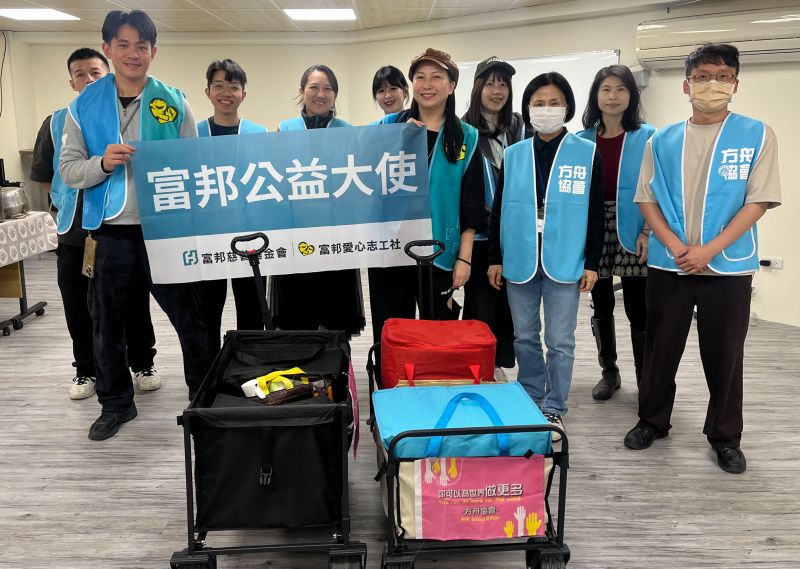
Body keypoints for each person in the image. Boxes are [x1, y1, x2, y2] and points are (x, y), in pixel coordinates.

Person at [623, 43, 781, 474]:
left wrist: (709, 250)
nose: (713, 84)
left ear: (736, 84)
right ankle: (652, 421)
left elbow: (758, 201)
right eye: (704, 76)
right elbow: (647, 198)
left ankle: (725, 437)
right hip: (669, 263)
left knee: (725, 355)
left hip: (728, 266)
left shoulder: (756, 135)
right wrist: (675, 246)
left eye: (723, 76)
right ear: (687, 84)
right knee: (660, 348)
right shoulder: (662, 139)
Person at [59, 10, 212, 441]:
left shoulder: (174, 101)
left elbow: (195, 165)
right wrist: (102, 163)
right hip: (109, 232)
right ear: (107, 49)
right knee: (105, 323)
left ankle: (202, 400)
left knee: (190, 320)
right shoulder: (82, 106)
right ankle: (116, 405)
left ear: (153, 51)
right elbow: (68, 169)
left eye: (141, 46)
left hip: (165, 229)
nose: (133, 53)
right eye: (123, 45)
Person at [30, 47, 160, 401]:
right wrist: (75, 198)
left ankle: (142, 362)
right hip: (74, 232)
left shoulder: (128, 116)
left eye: (95, 73)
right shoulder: (57, 121)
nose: (88, 80)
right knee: (78, 305)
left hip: (118, 227)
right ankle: (85, 368)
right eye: (80, 75)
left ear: (109, 76)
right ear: (71, 82)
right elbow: (45, 176)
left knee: (133, 299)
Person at [487, 72, 604, 441]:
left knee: (560, 340)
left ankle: (554, 405)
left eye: (554, 103)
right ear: (527, 108)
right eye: (539, 103)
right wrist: (495, 257)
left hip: (565, 257)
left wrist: (593, 262)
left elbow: (596, 211)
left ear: (567, 106)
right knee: (524, 336)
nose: (546, 109)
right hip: (519, 255)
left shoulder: (586, 152)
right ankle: (531, 394)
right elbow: (498, 210)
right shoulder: (514, 153)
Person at [368, 48, 485, 345]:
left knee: (438, 337)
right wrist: (397, 141)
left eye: (436, 77)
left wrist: (465, 259)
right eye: (420, 77)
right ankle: (390, 377)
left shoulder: (467, 137)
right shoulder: (387, 127)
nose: (427, 85)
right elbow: (366, 184)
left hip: (440, 253)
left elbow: (471, 205)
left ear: (452, 86)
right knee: (392, 335)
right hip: (391, 253)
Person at [577, 65, 656, 400]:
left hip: (636, 227)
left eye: (621, 89)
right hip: (595, 227)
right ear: (596, 95)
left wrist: (649, 231)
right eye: (606, 89)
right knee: (601, 301)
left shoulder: (648, 136)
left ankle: (645, 376)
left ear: (631, 95)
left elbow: (658, 186)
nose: (613, 96)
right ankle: (609, 372)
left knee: (639, 306)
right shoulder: (581, 140)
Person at [270, 65, 365, 339]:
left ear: (335, 96)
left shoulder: (348, 131)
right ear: (302, 91)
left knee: (336, 313)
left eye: (328, 89)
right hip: (295, 233)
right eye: (314, 87)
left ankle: (338, 363)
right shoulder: (284, 129)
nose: (320, 94)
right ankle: (302, 363)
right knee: (297, 314)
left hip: (336, 234)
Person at [197, 58, 268, 353]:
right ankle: (209, 368)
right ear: (208, 92)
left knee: (252, 305)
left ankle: (249, 363)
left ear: (243, 94)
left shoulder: (259, 134)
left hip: (249, 232)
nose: (226, 93)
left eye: (234, 86)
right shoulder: (193, 135)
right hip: (207, 235)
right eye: (218, 86)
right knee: (206, 309)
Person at [461, 56, 525, 380]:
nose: (497, 90)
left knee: (509, 305)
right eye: (490, 83)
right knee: (481, 304)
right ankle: (481, 366)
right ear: (477, 88)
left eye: (503, 84)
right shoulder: (464, 131)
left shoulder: (519, 127)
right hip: (480, 235)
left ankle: (500, 362)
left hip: (514, 234)